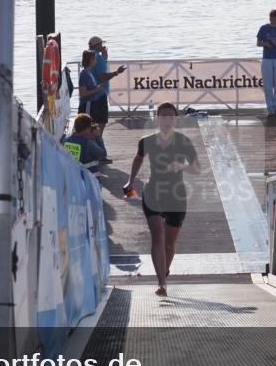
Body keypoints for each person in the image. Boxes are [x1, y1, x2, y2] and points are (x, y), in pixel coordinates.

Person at [122, 102, 201, 297]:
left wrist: (181, 166)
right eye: (163, 115)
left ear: (176, 119)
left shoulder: (183, 141)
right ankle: (161, 283)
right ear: (157, 118)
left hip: (176, 194)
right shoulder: (147, 140)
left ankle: (164, 270)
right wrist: (130, 181)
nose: (166, 119)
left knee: (169, 243)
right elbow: (138, 158)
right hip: (153, 192)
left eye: (170, 116)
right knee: (158, 236)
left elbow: (197, 168)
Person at [87, 35, 126, 162]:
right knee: (100, 123)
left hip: (93, 95)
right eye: (101, 44)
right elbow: (102, 76)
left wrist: (105, 57)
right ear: (97, 45)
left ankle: (94, 150)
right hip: (99, 94)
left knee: (95, 122)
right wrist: (116, 73)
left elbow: (97, 70)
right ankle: (97, 151)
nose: (103, 46)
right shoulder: (97, 57)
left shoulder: (91, 56)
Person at [78, 50, 106, 125]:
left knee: (92, 125)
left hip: (93, 104)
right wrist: (97, 89)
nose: (96, 60)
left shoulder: (89, 72)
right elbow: (82, 93)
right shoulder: (84, 74)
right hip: (87, 104)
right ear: (91, 60)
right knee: (87, 126)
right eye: (95, 58)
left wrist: (98, 87)